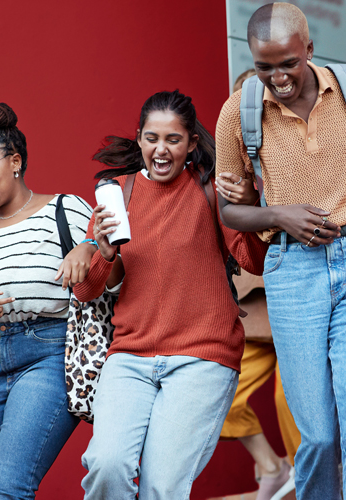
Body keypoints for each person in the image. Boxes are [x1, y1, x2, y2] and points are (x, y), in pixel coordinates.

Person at [215, 4, 346, 498]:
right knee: (316, 432)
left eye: (288, 63)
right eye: (265, 66)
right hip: (292, 274)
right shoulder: (239, 110)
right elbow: (231, 212)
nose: (277, 78)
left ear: (309, 50)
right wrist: (277, 214)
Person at [73, 90, 257, 499]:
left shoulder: (210, 187)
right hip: (130, 357)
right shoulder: (117, 193)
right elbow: (86, 291)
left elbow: (253, 259)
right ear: (139, 138)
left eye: (173, 139)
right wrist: (102, 252)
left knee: (162, 486)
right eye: (152, 138)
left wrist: (252, 205)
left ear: (191, 143)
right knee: (107, 465)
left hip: (202, 356)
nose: (161, 149)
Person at [0, 103, 90, 500]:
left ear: (15, 161)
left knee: (6, 488)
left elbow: (109, 274)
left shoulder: (65, 209)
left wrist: (91, 249)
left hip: (49, 354)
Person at [214, 68, 300, 500]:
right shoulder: (225, 161)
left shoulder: (295, 145)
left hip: (293, 298)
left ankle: (308, 475)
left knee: (294, 401)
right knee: (220, 399)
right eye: (237, 101)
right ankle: (272, 466)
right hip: (250, 307)